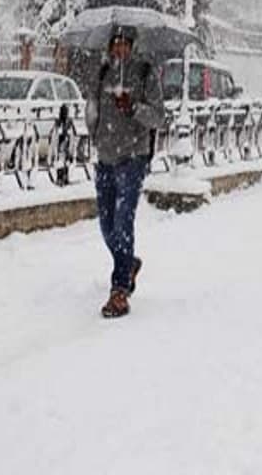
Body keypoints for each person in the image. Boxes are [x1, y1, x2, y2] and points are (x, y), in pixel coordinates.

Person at [85, 25, 164, 319]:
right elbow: (92, 107)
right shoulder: (103, 73)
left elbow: (159, 116)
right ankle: (128, 263)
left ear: (132, 47)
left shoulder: (145, 73)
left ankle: (119, 290)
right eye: (115, 44)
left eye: (124, 44)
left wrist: (132, 108)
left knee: (122, 220)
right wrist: (93, 131)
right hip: (105, 157)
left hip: (133, 157)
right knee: (106, 225)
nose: (119, 49)